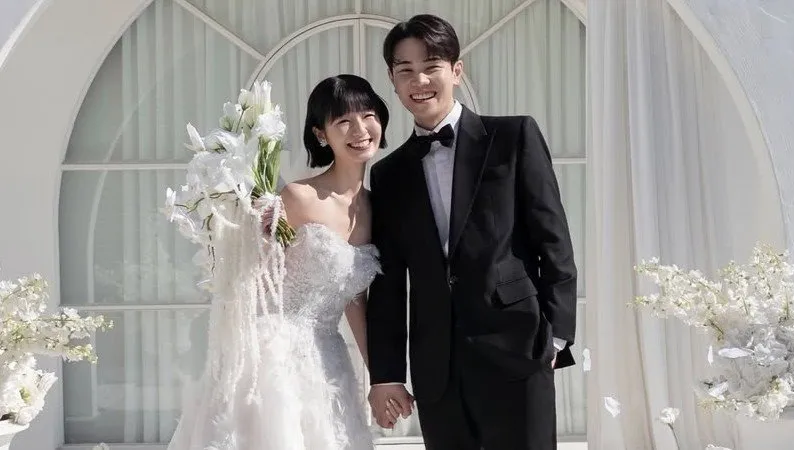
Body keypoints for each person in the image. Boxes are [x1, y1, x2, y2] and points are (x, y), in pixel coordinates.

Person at [366, 14, 578, 450]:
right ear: (392, 79)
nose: (419, 80)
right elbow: (388, 283)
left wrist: (556, 335)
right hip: (437, 369)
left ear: (456, 71)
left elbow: (553, 240)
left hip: (518, 350)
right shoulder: (388, 174)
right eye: (405, 70)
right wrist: (386, 374)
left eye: (432, 66)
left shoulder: (513, 136)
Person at [168, 74, 390, 450]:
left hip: (329, 358)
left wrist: (380, 378)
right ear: (321, 135)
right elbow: (246, 281)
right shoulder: (297, 198)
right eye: (343, 121)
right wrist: (249, 228)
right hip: (273, 358)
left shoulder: (375, 207)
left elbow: (355, 300)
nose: (360, 130)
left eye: (368, 115)